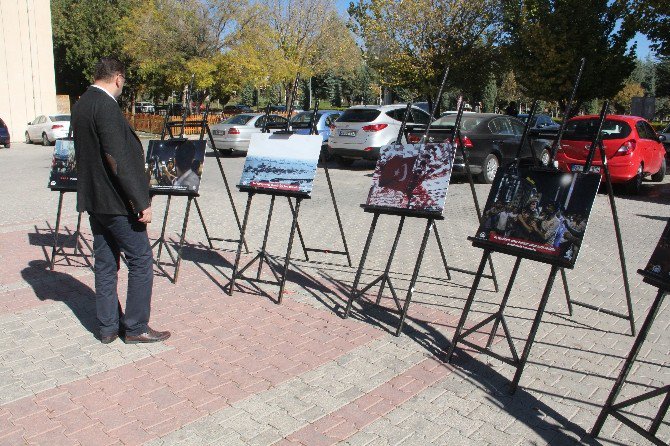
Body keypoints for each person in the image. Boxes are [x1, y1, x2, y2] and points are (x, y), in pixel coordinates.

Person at [72, 57, 170, 344]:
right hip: (117, 203)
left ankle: (107, 328)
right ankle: (136, 326)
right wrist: (141, 201)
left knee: (104, 264)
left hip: (95, 201)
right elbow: (117, 159)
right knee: (140, 260)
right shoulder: (105, 106)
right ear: (117, 78)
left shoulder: (82, 104)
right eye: (123, 83)